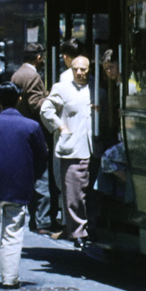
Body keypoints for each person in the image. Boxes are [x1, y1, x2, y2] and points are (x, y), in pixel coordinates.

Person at [0, 83, 50, 287]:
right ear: (19, 99)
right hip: (18, 187)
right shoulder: (32, 126)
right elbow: (42, 156)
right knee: (13, 233)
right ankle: (10, 278)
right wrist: (30, 177)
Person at [42, 55, 94, 248]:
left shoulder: (96, 89)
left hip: (93, 147)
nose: (79, 73)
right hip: (73, 148)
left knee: (89, 193)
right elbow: (46, 109)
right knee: (73, 193)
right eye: (76, 69)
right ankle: (78, 232)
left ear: (89, 69)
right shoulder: (62, 88)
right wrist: (60, 127)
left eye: (83, 69)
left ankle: (89, 227)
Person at [11, 47, 54, 233]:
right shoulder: (33, 77)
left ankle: (35, 219)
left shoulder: (17, 74)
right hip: (34, 133)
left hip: (20, 132)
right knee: (42, 178)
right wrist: (51, 99)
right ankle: (42, 221)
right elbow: (37, 105)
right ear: (38, 57)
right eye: (42, 58)